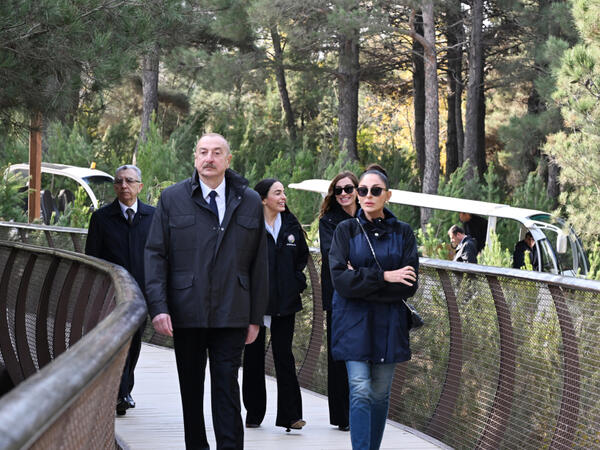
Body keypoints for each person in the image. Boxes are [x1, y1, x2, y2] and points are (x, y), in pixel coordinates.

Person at [144, 133, 269, 449]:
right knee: (191, 388)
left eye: (216, 152)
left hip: (233, 311)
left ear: (229, 159)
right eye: (203, 152)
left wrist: (256, 317)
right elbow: (156, 254)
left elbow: (259, 263)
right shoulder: (172, 198)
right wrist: (159, 307)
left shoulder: (250, 200)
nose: (209, 158)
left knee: (227, 387)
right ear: (195, 158)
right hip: (186, 309)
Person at [329, 167, 419, 450]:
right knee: (360, 390)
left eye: (376, 190)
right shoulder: (345, 230)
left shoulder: (403, 232)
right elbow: (340, 281)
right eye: (363, 190)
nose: (368, 196)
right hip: (352, 323)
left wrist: (362, 279)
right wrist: (384, 276)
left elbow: (408, 285)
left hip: (389, 323)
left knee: (380, 394)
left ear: (387, 195)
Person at [85, 164, 155, 416]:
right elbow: (91, 258)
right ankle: (120, 393)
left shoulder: (153, 217)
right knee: (119, 342)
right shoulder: (102, 218)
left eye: (129, 181)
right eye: (119, 181)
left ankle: (124, 389)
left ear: (139, 186)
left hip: (143, 294)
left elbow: (161, 256)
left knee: (134, 342)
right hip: (111, 294)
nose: (123, 186)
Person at [242, 178, 309, 431]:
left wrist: (296, 282)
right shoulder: (250, 226)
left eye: (284, 193)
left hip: (285, 302)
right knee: (253, 357)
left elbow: (301, 257)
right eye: (277, 193)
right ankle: (254, 413)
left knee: (284, 356)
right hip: (255, 304)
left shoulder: (291, 225)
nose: (283, 197)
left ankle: (291, 416)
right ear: (263, 199)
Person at [318, 170, 359, 432]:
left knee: (364, 354)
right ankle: (342, 416)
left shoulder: (369, 217)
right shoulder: (328, 221)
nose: (344, 194)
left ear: (358, 190)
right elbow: (334, 254)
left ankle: (362, 411)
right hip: (338, 296)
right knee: (339, 354)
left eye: (348, 189)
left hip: (367, 294)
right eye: (339, 190)